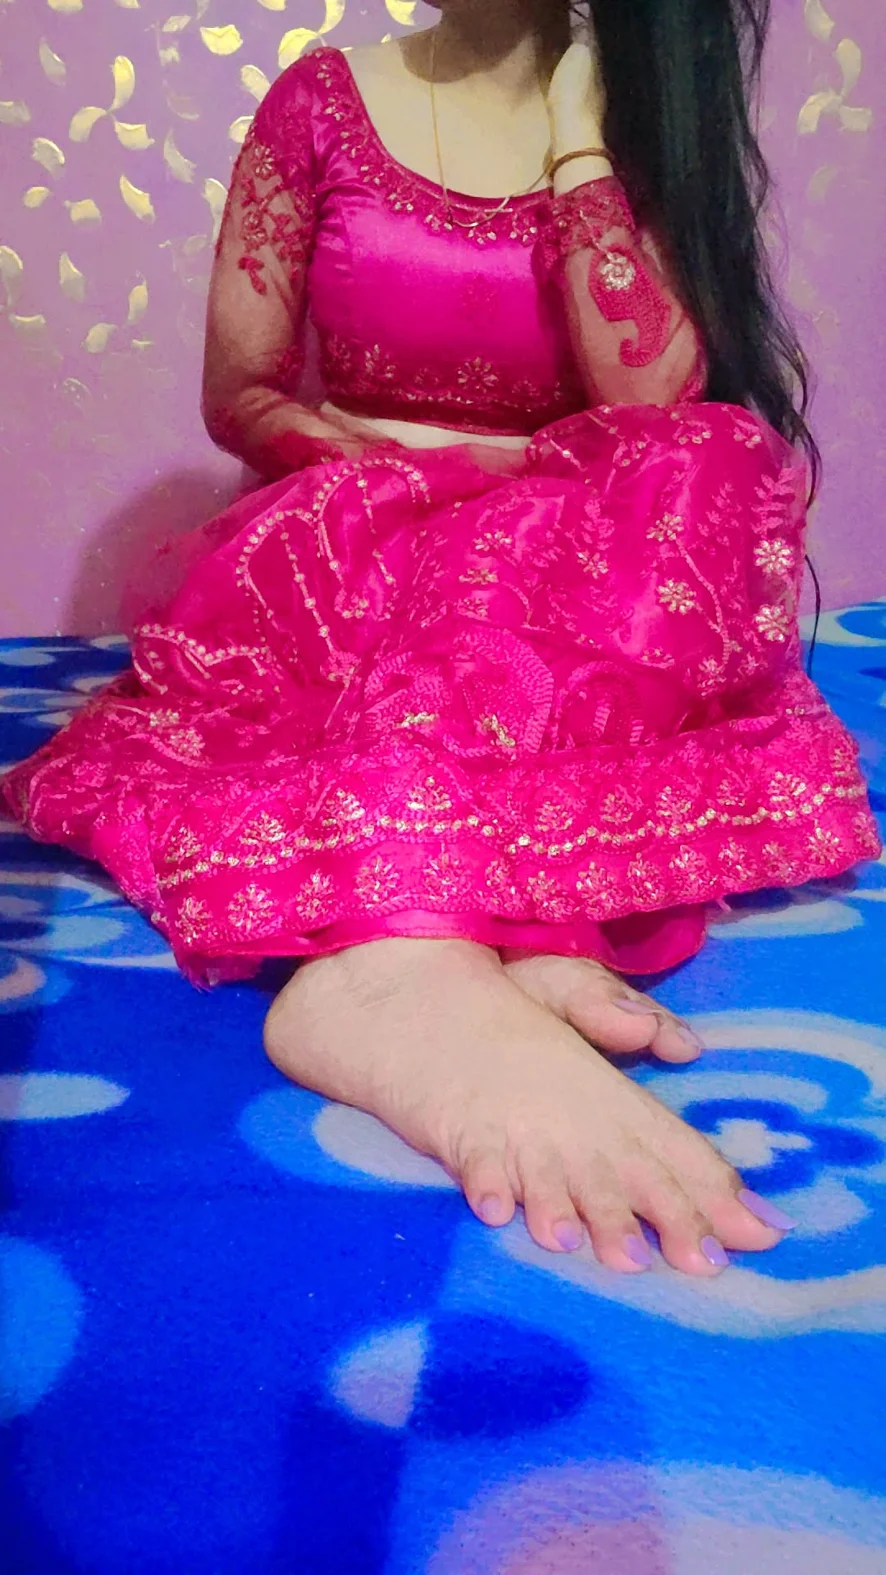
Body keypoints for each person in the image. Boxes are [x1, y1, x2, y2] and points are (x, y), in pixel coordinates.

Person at [4, 0, 878, 1279]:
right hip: (353, 524)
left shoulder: (629, 121)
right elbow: (240, 393)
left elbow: (649, 398)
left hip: (554, 552)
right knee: (462, 574)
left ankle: (529, 926)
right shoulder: (320, 105)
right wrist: (413, 475)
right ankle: (400, 960)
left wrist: (582, 140)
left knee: (710, 455)